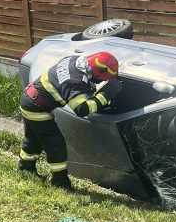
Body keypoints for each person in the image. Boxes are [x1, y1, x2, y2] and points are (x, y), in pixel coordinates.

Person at [18, 51, 122, 191]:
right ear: (98, 71)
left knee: (33, 139)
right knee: (55, 144)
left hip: (30, 98)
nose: (101, 82)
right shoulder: (74, 81)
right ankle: (60, 182)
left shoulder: (74, 60)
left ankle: (25, 169)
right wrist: (106, 94)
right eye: (102, 79)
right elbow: (81, 109)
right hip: (37, 107)